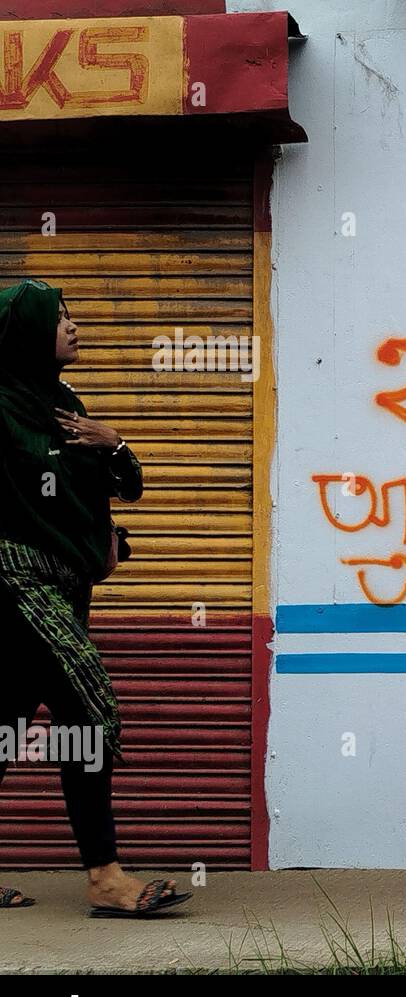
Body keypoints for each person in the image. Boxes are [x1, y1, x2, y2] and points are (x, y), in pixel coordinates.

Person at [0, 279, 191, 917]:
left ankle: (104, 874)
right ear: (27, 334)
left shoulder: (64, 402)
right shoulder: (0, 408)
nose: (74, 326)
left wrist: (118, 446)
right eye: (59, 318)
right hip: (20, 585)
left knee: (8, 725)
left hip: (69, 586)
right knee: (91, 710)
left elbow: (128, 486)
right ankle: (105, 877)